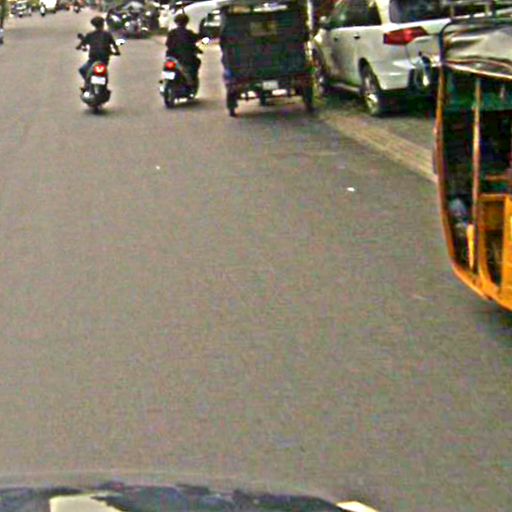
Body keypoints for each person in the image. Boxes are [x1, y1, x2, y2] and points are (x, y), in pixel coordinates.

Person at [77, 16, 121, 82]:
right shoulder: (107, 34)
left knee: (82, 70)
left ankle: (87, 83)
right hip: (104, 59)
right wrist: (117, 52)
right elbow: (114, 44)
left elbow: (81, 44)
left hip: (93, 58)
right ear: (103, 24)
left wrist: (79, 47)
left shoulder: (90, 34)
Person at [165, 13, 201, 85]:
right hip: (185, 57)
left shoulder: (172, 33)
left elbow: (167, 43)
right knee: (196, 62)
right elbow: (196, 39)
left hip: (172, 56)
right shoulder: (188, 33)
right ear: (186, 22)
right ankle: (191, 81)